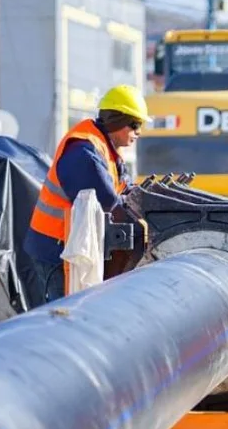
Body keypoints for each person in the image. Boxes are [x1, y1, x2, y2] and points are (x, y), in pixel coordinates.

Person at [24, 84, 151, 304]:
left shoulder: (107, 150)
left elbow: (126, 191)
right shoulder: (83, 152)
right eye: (135, 124)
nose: (139, 132)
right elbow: (111, 204)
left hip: (68, 246)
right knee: (63, 313)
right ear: (117, 120)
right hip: (56, 250)